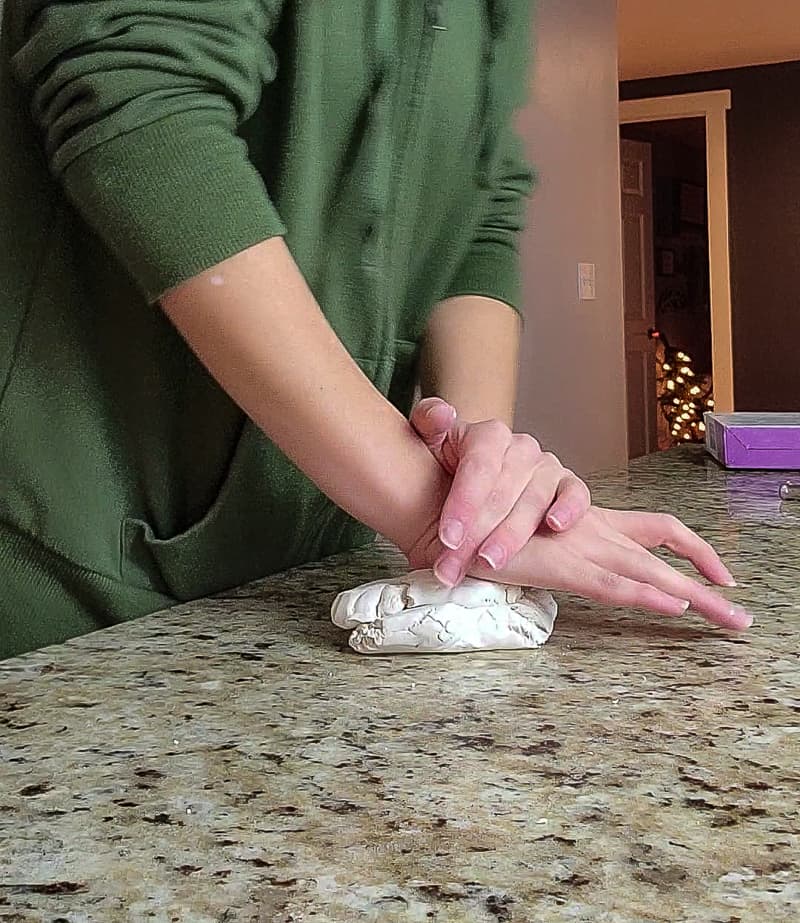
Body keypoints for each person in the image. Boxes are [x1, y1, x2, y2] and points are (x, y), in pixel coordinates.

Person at [0, 1, 750, 661]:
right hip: (74, 574)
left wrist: (477, 482)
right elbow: (140, 98)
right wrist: (434, 510)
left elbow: (480, 215)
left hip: (313, 560)